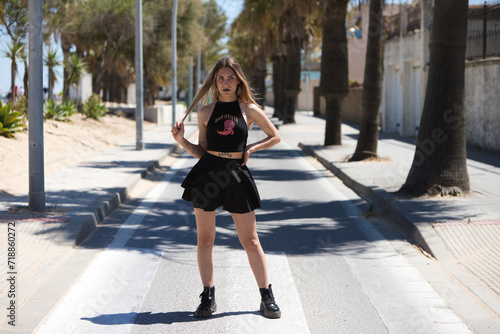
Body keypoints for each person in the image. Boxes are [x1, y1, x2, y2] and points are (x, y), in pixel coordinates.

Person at [171, 57, 281, 319]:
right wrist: (181, 141)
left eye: (231, 77)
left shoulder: (249, 109)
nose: (225, 82)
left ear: (238, 80)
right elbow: (202, 151)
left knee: (250, 240)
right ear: (214, 82)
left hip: (237, 175)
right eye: (221, 78)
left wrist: (251, 148)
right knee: (205, 239)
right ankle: (208, 296)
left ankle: (266, 296)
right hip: (207, 174)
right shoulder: (205, 112)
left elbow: (275, 135)